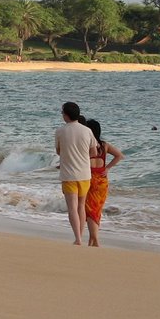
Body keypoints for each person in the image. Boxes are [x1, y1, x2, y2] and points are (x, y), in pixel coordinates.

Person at [55, 102, 98, 246]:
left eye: (62, 112)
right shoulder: (87, 131)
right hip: (85, 174)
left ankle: (78, 239)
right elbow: (94, 152)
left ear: (66, 115)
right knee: (81, 206)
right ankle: (80, 236)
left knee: (72, 207)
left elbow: (59, 151)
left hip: (68, 175)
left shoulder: (60, 131)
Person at [82, 119, 123, 247]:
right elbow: (120, 155)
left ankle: (95, 240)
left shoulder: (87, 145)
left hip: (88, 178)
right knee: (96, 210)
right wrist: (108, 168)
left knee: (89, 210)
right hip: (102, 181)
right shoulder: (104, 145)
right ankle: (92, 239)